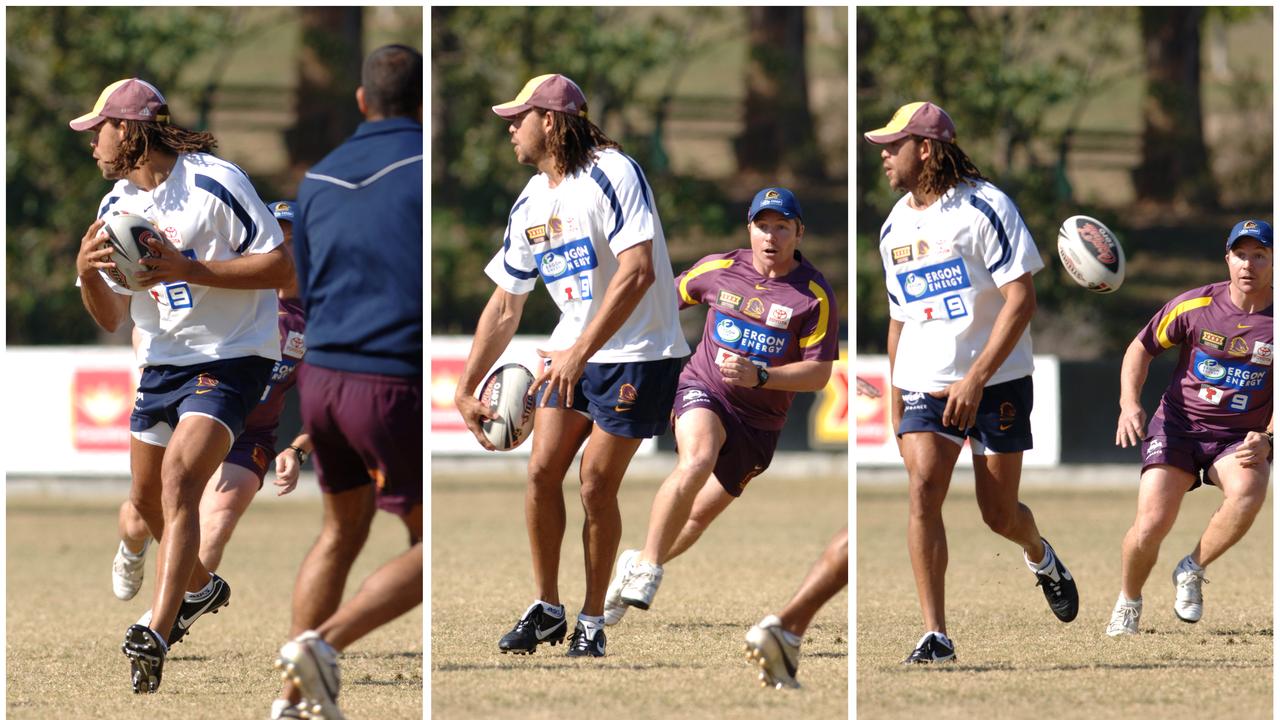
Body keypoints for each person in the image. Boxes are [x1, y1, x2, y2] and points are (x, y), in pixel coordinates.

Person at [453, 72, 689, 660]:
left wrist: (580, 350)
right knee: (539, 474)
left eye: (519, 117)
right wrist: (462, 386)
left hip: (637, 354)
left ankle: (590, 621)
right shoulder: (531, 200)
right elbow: (506, 302)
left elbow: (638, 272)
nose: (510, 127)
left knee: (593, 484)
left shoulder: (614, 172)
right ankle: (547, 607)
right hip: (570, 352)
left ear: (551, 122)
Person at [71, 77, 293, 693]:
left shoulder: (216, 181)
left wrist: (192, 268)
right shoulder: (114, 207)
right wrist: (86, 274)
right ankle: (199, 588)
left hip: (232, 358)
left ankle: (159, 632)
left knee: (179, 481)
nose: (92, 144)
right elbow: (112, 316)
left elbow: (282, 266)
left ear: (132, 131)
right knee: (144, 503)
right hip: (161, 361)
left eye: (100, 131)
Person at [864, 101, 1079, 665]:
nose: (884, 155)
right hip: (922, 383)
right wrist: (894, 393)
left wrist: (977, 378)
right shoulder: (893, 227)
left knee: (998, 514)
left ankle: (1040, 555)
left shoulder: (987, 207)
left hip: (998, 383)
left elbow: (1021, 299)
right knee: (922, 490)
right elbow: (899, 318)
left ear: (927, 149)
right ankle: (935, 634)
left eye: (894, 144)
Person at [602, 187, 840, 629]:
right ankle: (650, 568)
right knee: (697, 459)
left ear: (798, 232)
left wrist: (763, 376)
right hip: (703, 389)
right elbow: (657, 304)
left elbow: (819, 373)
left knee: (694, 520)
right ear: (749, 229)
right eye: (762, 226)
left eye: (781, 227)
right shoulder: (719, 269)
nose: (771, 237)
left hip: (760, 422)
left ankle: (635, 561)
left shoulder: (813, 295)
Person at [272, 44, 423, 720]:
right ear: (422, 103)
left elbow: (302, 285)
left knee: (341, 531)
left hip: (322, 379)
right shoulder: (424, 168)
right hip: (388, 378)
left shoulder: (318, 178)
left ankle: (292, 699)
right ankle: (326, 645)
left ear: (363, 101)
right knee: (439, 549)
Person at [111, 201, 311, 602]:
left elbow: (332, 401)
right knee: (140, 515)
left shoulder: (319, 321)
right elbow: (150, 328)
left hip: (249, 436)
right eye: (280, 239)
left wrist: (297, 449)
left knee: (215, 523)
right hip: (197, 411)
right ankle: (132, 549)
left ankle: (165, 620)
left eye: (296, 241)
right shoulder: (230, 298)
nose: (287, 248)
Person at [1107, 219, 1273, 637]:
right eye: (1240, 254)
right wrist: (1129, 404)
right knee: (1150, 525)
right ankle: (1129, 601)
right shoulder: (1195, 306)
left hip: (1238, 437)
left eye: (1260, 255)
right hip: (1178, 427)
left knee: (1250, 490)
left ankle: (1192, 568)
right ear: (1227, 259)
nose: (1248, 264)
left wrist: (1268, 436)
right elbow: (1139, 349)